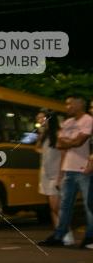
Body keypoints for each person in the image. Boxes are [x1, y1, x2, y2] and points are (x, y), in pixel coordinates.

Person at [39, 95, 93, 248]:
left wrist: (69, 141)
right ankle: (60, 235)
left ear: (79, 104)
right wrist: (71, 141)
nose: (67, 107)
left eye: (69, 104)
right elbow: (59, 143)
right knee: (65, 205)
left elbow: (79, 141)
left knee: (88, 206)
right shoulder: (68, 122)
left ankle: (89, 237)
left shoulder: (88, 120)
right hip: (68, 169)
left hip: (84, 169)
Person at [36, 110, 61, 231]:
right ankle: (58, 232)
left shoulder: (57, 134)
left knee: (56, 206)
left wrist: (60, 176)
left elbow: (63, 154)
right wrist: (40, 136)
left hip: (56, 174)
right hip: (46, 173)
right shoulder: (45, 135)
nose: (39, 121)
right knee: (52, 207)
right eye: (38, 118)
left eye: (42, 118)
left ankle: (65, 233)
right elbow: (37, 149)